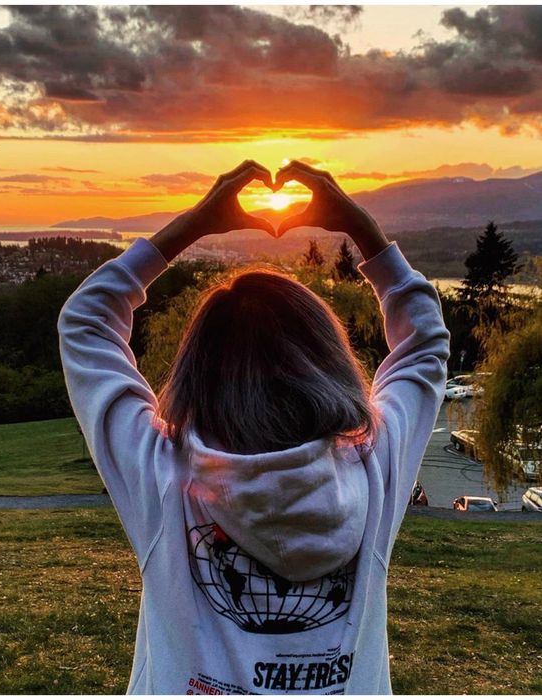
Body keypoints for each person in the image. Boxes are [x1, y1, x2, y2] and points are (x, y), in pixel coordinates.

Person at [59, 160, 449, 694]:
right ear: (332, 363)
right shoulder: (375, 465)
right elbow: (425, 345)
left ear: (197, 374)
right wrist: (362, 231)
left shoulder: (165, 474)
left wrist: (193, 226)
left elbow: (85, 321)